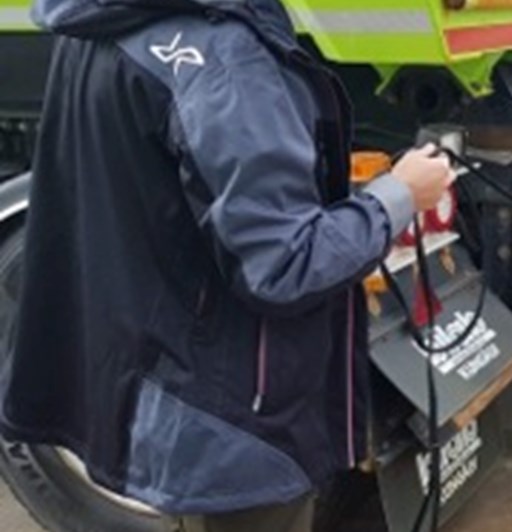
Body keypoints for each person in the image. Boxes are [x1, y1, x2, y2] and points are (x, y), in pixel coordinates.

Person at [0, 0, 455, 529]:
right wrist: (398, 196)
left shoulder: (93, 21)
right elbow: (287, 264)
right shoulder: (222, 59)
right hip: (240, 424)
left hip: (171, 388)